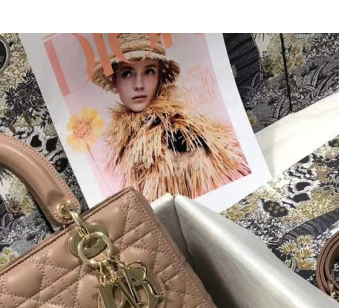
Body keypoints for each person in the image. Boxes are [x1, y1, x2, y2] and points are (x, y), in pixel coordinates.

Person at [92, 34, 251, 200]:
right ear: (115, 80)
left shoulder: (175, 132)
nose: (138, 85)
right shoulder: (124, 138)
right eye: (127, 73)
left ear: (159, 77)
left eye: (149, 71)